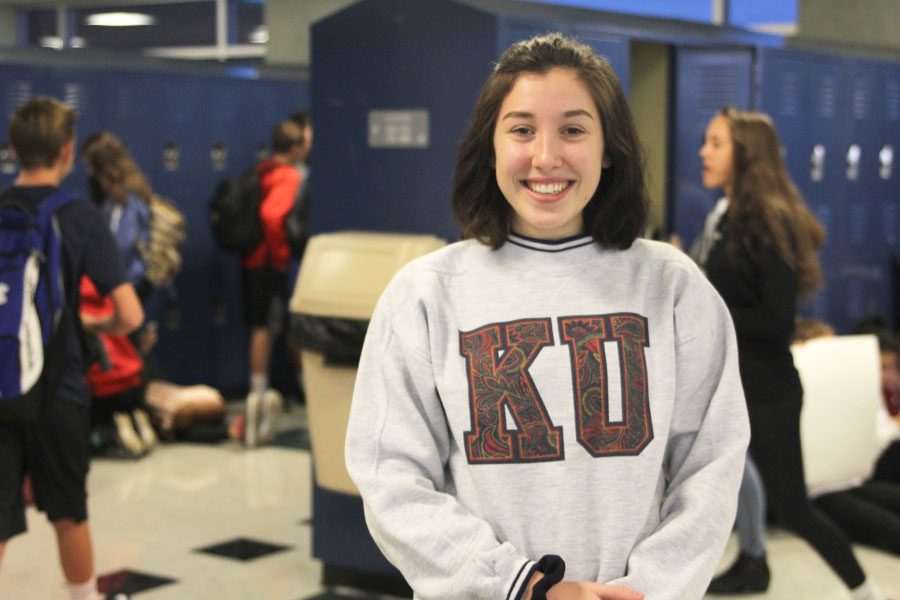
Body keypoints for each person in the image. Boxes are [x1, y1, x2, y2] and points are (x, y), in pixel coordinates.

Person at [345, 33, 749, 600]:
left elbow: (709, 465)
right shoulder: (426, 294)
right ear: (491, 144)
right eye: (522, 129)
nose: (546, 157)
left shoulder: (672, 287)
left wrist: (651, 588)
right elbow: (390, 476)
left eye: (574, 129)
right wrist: (520, 587)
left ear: (609, 148)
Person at [700, 106, 889, 599]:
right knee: (727, 481)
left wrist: (707, 317)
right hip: (735, 386)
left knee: (793, 505)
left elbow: (772, 319)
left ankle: (864, 590)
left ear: (745, 154)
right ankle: (754, 562)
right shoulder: (726, 215)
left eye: (716, 143)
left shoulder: (768, 220)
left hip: (768, 391)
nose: (703, 151)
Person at [0, 97, 143, 600]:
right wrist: (92, 323)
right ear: (67, 151)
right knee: (68, 513)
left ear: (13, 149)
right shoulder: (80, 217)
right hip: (58, 389)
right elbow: (131, 315)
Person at [240, 120, 306, 446]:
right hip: (268, 263)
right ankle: (259, 398)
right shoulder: (287, 176)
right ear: (295, 149)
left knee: (263, 326)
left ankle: (262, 391)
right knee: (266, 326)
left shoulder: (261, 169)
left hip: (251, 260)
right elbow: (271, 215)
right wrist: (281, 253)